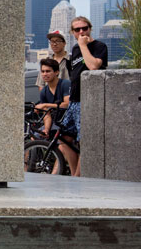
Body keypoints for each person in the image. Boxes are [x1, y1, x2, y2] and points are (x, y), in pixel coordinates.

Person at [61, 16, 109, 176]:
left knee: (84, 140)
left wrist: (83, 46)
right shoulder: (75, 50)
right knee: (64, 138)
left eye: (85, 28)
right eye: (77, 29)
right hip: (74, 101)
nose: (81, 32)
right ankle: (75, 174)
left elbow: (93, 67)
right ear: (72, 32)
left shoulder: (99, 46)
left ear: (90, 28)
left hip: (88, 101)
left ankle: (78, 177)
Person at [34, 58, 70, 144]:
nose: (44, 74)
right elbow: (47, 114)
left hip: (68, 123)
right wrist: (46, 129)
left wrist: (45, 105)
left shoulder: (65, 84)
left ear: (56, 72)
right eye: (42, 71)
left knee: (59, 143)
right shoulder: (44, 91)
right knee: (33, 138)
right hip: (54, 123)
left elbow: (67, 104)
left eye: (48, 71)